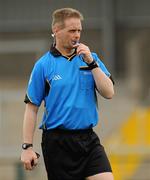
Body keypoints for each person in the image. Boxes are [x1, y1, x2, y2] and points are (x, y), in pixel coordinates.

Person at [21, 7, 114, 180]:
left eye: (79, 30)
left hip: (88, 139)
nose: (77, 35)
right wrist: (27, 147)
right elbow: (31, 108)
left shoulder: (90, 58)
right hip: (58, 143)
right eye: (72, 30)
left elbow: (109, 92)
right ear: (56, 30)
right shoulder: (43, 65)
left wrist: (92, 64)